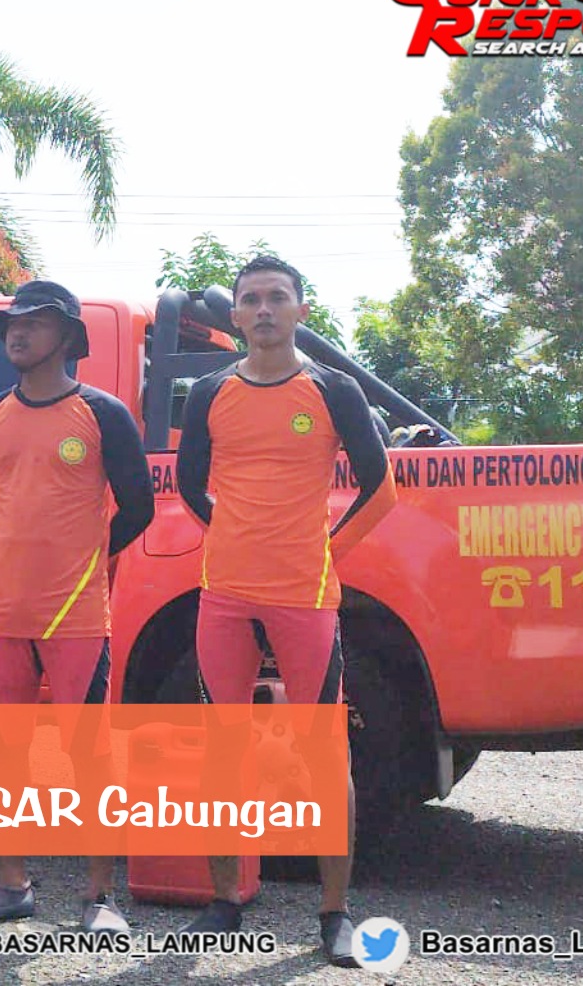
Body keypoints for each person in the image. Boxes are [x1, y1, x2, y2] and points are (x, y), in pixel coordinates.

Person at [174, 255, 398, 967]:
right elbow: (189, 484)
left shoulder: (333, 389)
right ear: (235, 316)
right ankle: (223, 901)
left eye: (277, 297)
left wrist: (327, 550)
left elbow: (380, 488)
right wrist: (233, 537)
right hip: (224, 595)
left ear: (301, 309)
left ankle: (334, 912)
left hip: (305, 596)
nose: (264, 309)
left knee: (324, 754)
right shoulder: (209, 393)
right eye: (251, 299)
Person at [0, 280, 152, 933]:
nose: (17, 331)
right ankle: (11, 887)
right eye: (11, 322)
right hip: (0, 611)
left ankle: (98, 898)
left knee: (88, 758)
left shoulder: (102, 414)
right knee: (2, 756)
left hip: (75, 616)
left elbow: (138, 507)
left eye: (33, 322)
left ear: (65, 336)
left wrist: (85, 558)